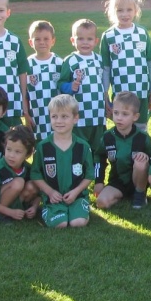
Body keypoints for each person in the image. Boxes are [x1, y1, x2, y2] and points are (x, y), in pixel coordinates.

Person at [31, 94, 95, 228]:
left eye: (64, 116)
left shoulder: (83, 146)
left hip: (77, 196)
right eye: (54, 116)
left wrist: (76, 191)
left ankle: (80, 207)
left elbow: (89, 175)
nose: (59, 121)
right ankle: (49, 208)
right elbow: (35, 174)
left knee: (78, 223)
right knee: (60, 224)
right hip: (53, 197)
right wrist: (50, 192)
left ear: (75, 118)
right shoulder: (43, 147)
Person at [100, 0, 151, 132]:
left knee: (141, 127)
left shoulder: (142, 33)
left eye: (129, 10)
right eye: (120, 10)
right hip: (120, 93)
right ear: (112, 11)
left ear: (136, 10)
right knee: (122, 126)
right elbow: (105, 68)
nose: (125, 14)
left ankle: (142, 147)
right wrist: (104, 94)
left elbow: (150, 64)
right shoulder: (108, 36)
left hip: (141, 91)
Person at [93, 91, 151, 210]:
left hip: (138, 180)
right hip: (118, 181)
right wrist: (99, 181)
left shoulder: (143, 137)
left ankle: (139, 194)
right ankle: (121, 195)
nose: (119, 118)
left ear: (135, 117)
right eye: (116, 113)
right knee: (101, 202)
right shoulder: (107, 137)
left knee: (140, 162)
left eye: (125, 114)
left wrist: (147, 158)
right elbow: (98, 158)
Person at [58, 19, 107, 145]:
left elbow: (103, 84)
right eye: (80, 39)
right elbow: (61, 83)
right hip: (79, 115)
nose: (85, 42)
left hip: (98, 113)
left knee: (98, 145)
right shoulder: (70, 60)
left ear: (96, 41)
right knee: (80, 145)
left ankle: (97, 159)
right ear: (72, 40)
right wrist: (71, 86)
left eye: (89, 39)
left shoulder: (99, 60)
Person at [0, 125, 41, 224]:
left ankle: (23, 210)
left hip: (17, 203)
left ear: (28, 154)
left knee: (33, 184)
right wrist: (11, 212)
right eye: (9, 149)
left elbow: (40, 193)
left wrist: (35, 207)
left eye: (18, 152)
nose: (11, 155)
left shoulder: (28, 169)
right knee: (19, 182)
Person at [26, 20, 63, 140]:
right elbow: (24, 93)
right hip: (36, 113)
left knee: (58, 140)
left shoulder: (59, 63)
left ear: (53, 41)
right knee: (39, 142)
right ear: (30, 42)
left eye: (46, 39)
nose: (42, 42)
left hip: (58, 114)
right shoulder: (27, 65)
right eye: (37, 39)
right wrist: (26, 114)